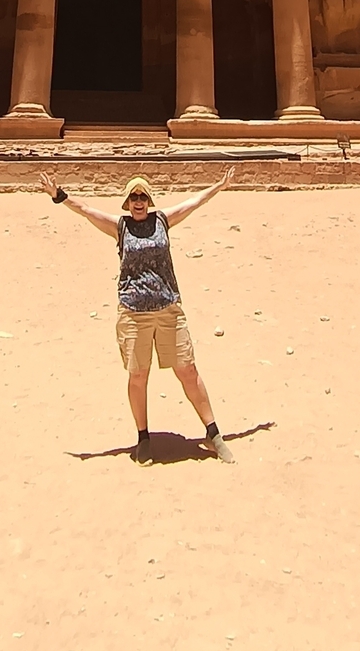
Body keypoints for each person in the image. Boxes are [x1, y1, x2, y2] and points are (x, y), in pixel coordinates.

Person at [40, 168, 236, 464]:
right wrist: (59, 196)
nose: (139, 201)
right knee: (138, 375)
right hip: (133, 312)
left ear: (149, 200)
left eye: (143, 196)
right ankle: (143, 438)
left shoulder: (163, 221)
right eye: (134, 197)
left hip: (168, 307)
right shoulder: (120, 227)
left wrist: (219, 186)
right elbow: (86, 210)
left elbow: (193, 202)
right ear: (127, 202)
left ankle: (213, 433)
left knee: (187, 370)